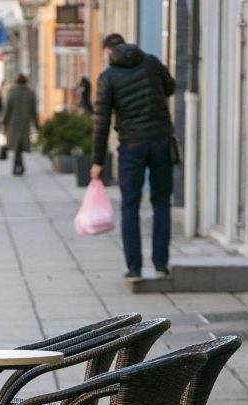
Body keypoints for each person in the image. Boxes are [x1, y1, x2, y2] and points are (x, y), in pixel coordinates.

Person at [91, 33, 176, 281]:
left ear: (108, 52)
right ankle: (161, 264)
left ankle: (134, 269)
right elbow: (169, 88)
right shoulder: (150, 62)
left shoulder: (108, 77)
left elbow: (101, 121)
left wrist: (97, 160)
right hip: (161, 140)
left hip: (131, 145)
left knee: (130, 204)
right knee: (161, 201)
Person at [2, 73, 38, 176]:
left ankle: (17, 165)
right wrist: (35, 123)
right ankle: (19, 165)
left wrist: (5, 121)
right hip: (25, 122)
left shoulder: (12, 92)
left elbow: (8, 108)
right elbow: (33, 109)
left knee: (16, 144)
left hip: (13, 122)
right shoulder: (30, 93)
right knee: (21, 144)